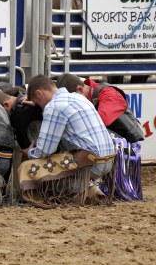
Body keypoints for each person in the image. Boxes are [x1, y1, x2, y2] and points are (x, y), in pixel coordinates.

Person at [18, 75, 116, 207]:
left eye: (38, 102)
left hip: (90, 165)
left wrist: (29, 153)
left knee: (28, 169)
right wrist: (37, 102)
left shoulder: (53, 107)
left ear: (39, 93)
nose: (40, 107)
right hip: (108, 162)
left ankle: (81, 191)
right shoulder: (79, 98)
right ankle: (89, 186)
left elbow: (44, 151)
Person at [56, 73, 144, 201]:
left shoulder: (109, 93)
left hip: (123, 145)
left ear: (80, 90)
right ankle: (89, 186)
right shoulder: (90, 95)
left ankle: (99, 186)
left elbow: (100, 122)